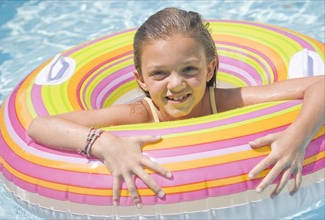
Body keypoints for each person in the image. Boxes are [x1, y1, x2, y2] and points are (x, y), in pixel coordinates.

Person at [27, 7, 324, 209]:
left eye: (189, 69)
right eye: (159, 74)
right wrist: (104, 143)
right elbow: (39, 125)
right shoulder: (140, 115)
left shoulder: (228, 101)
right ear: (140, 80)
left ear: (210, 70)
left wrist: (297, 137)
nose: (175, 84)